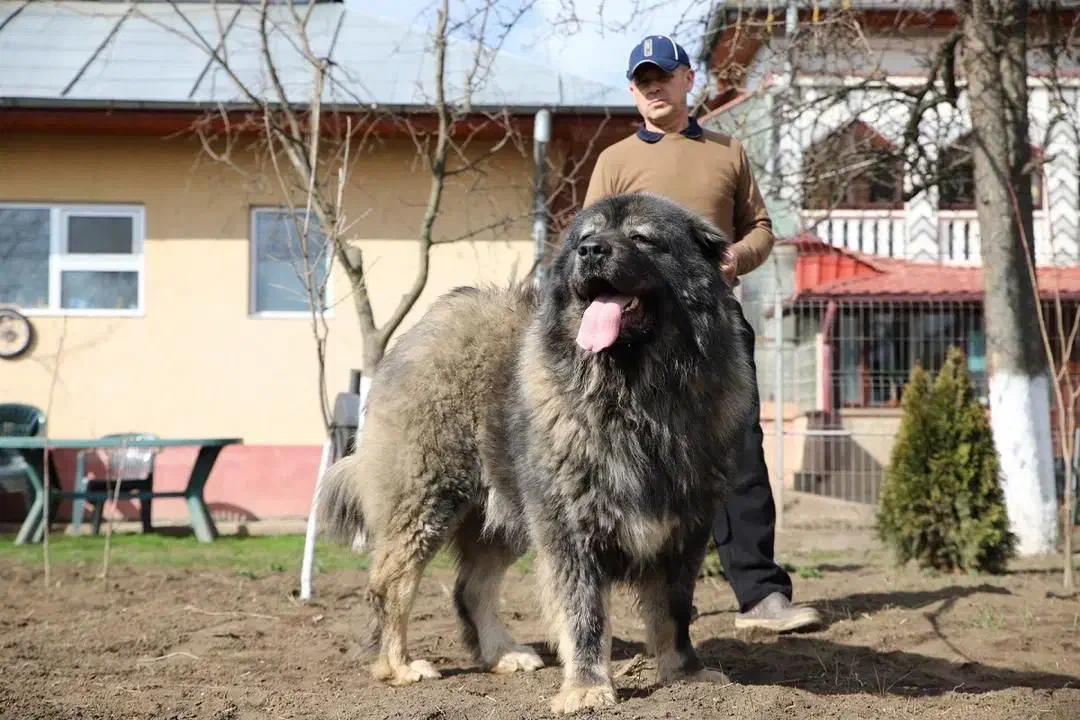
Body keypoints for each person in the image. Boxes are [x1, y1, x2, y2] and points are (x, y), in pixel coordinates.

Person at [582, 34, 822, 633]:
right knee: (640, 454)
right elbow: (589, 241)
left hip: (714, 325)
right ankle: (652, 602)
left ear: (689, 79)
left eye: (662, 75)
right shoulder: (614, 160)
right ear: (632, 91)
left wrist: (737, 256)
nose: (653, 87)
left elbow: (760, 226)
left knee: (738, 448)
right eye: (642, 80)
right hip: (635, 332)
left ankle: (761, 596)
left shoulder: (728, 152)